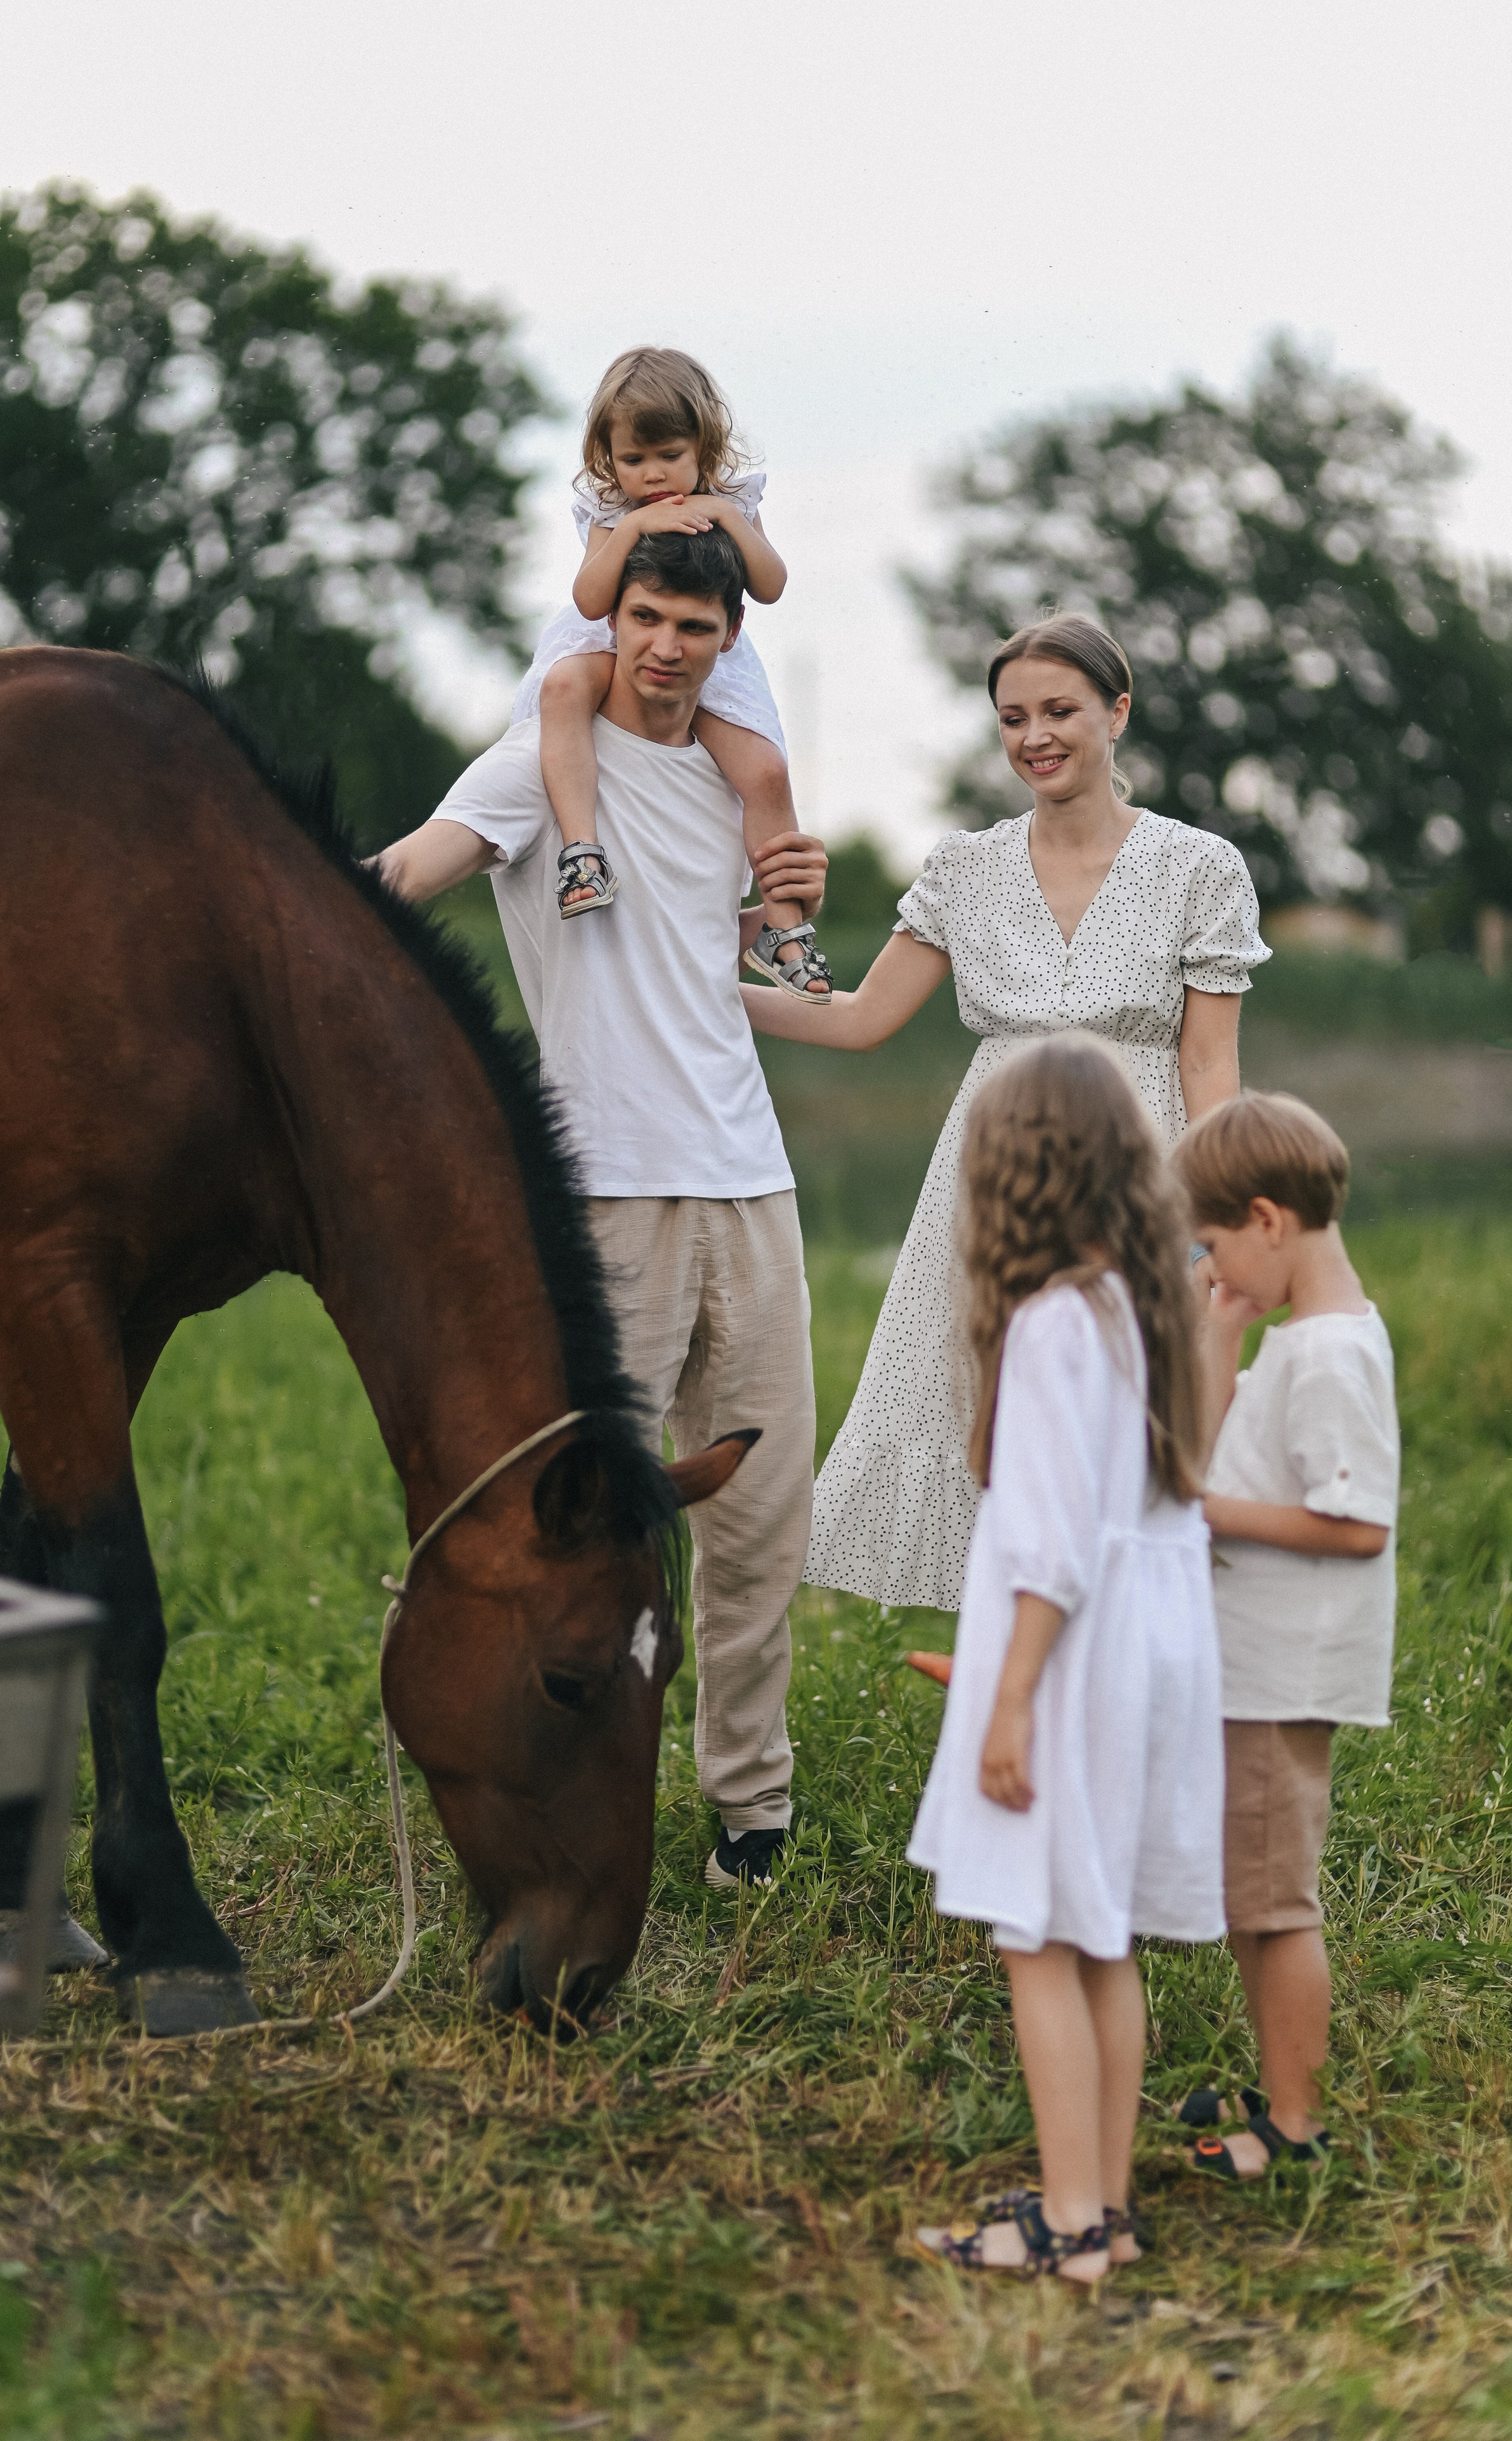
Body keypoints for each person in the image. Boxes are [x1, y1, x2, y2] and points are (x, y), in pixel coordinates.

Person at [375, 523, 826, 1891]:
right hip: (602, 1199)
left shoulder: (736, 788)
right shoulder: (535, 766)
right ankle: (508, 1770)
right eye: (645, 618)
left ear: (725, 643)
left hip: (749, 1183)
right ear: (610, 621)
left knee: (759, 1521)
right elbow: (392, 890)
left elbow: (747, 974)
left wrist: (782, 918)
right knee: (572, 1527)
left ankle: (749, 1809)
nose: (667, 647)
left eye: (695, 627)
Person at [742, 612, 1270, 1614]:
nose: (1036, 736)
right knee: (996, 1416)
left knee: (1131, 1426)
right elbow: (858, 1021)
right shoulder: (963, 868)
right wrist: (700, 987)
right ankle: (1009, 1695)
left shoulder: (1201, 868)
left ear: (1118, 712)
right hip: (996, 1184)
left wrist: (1215, 1226)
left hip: (1142, 1176)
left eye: (1061, 711)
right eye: (1013, 717)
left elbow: (1209, 1067)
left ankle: (1125, 1689)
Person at [908, 1035, 1225, 2281]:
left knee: (1034, 1936)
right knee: (1099, 1937)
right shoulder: (1139, 1310)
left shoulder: (1048, 1325)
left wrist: (1006, 1701)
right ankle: (1103, 2204)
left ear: (1015, 1177)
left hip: (1069, 1659)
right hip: (1146, 1655)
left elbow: (1045, 1545)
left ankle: (1070, 2219)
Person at [1173, 1092, 1399, 2178]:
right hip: (1249, 1663)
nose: (1212, 1270)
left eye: (1213, 1248)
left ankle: (1295, 2126)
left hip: (1283, 1670)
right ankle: (1279, 2089)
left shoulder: (1330, 1357)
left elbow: (1359, 1524)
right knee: (1249, 1899)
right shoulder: (1298, 1336)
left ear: (1266, 1218)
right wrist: (1221, 1329)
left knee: (1274, 1904)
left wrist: (1208, 1516)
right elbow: (1210, 1447)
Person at [511, 344, 831, 1005]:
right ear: (607, 457)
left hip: (711, 656)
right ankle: (582, 853)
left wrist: (729, 520)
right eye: (633, 460)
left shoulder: (732, 497)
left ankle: (784, 929)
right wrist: (634, 529)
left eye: (669, 456)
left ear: (703, 447)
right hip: (614, 638)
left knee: (766, 769)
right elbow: (591, 600)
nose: (653, 476)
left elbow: (769, 585)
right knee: (562, 689)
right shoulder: (611, 509)